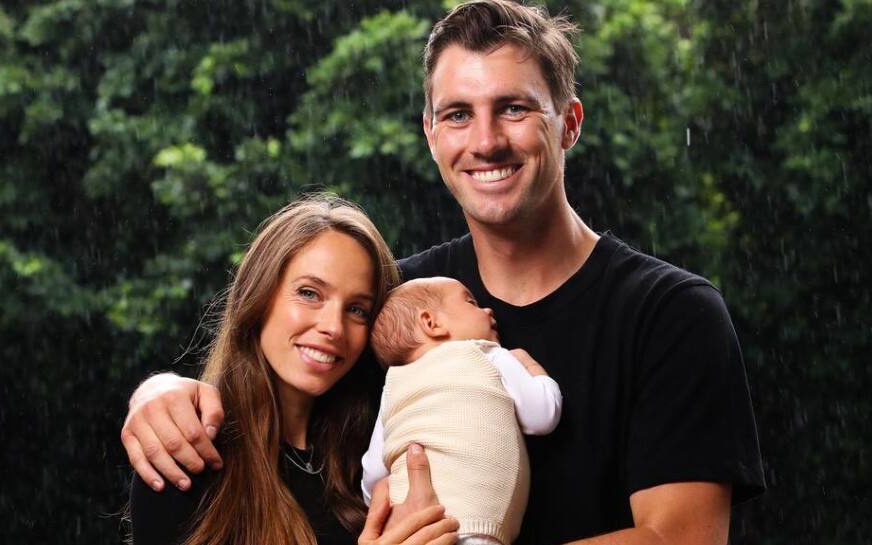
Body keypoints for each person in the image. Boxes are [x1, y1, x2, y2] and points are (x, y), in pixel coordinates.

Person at [121, 2, 765, 544]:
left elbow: (677, 538)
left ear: (568, 123)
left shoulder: (671, 315)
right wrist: (161, 392)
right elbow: (278, 422)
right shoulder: (392, 305)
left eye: (514, 108)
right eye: (458, 113)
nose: (484, 141)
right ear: (431, 133)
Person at [126, 195, 460, 545]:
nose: (333, 326)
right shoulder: (185, 449)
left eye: (357, 309)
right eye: (309, 293)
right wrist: (155, 387)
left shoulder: (377, 448)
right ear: (259, 294)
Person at [362, 277, 563, 545]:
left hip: (413, 529)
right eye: (471, 302)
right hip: (474, 524)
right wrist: (533, 369)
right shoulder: (486, 354)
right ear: (431, 323)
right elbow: (542, 417)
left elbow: (374, 475)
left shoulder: (393, 386)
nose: (488, 311)